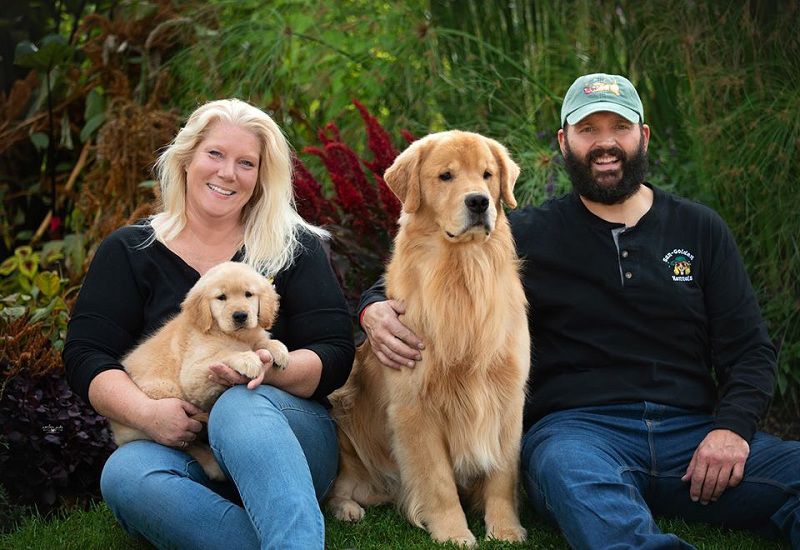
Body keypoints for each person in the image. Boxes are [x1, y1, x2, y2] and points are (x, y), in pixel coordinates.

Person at [358, 73, 799, 548]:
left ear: (643, 137)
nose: (605, 143)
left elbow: (751, 350)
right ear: (564, 142)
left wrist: (731, 431)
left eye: (619, 128)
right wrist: (372, 309)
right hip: (582, 435)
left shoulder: (700, 229)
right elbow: (411, 276)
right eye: (588, 130)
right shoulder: (524, 233)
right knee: (570, 473)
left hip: (690, 437)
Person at [63, 99, 355, 549]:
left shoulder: (294, 246)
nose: (227, 173)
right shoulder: (128, 250)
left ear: (261, 177)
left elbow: (335, 352)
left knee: (240, 402)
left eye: (246, 163)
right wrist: (146, 414)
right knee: (125, 473)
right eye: (215, 154)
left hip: (286, 447)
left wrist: (267, 366)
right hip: (180, 452)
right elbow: (86, 355)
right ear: (187, 158)